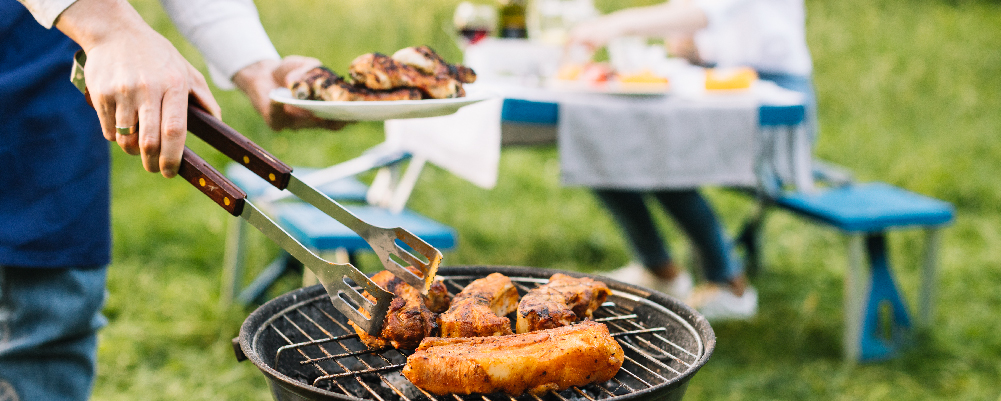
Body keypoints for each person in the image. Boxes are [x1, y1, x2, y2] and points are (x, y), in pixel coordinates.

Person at [0, 0, 346, 399]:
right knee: (32, 332)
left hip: (61, 80)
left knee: (52, 327)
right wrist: (110, 26)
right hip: (31, 62)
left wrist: (253, 62)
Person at [567, 0, 817, 320]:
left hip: (773, 101)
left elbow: (702, 13)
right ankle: (660, 269)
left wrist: (612, 26)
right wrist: (690, 49)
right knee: (603, 146)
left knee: (661, 159)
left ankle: (729, 284)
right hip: (718, 84)